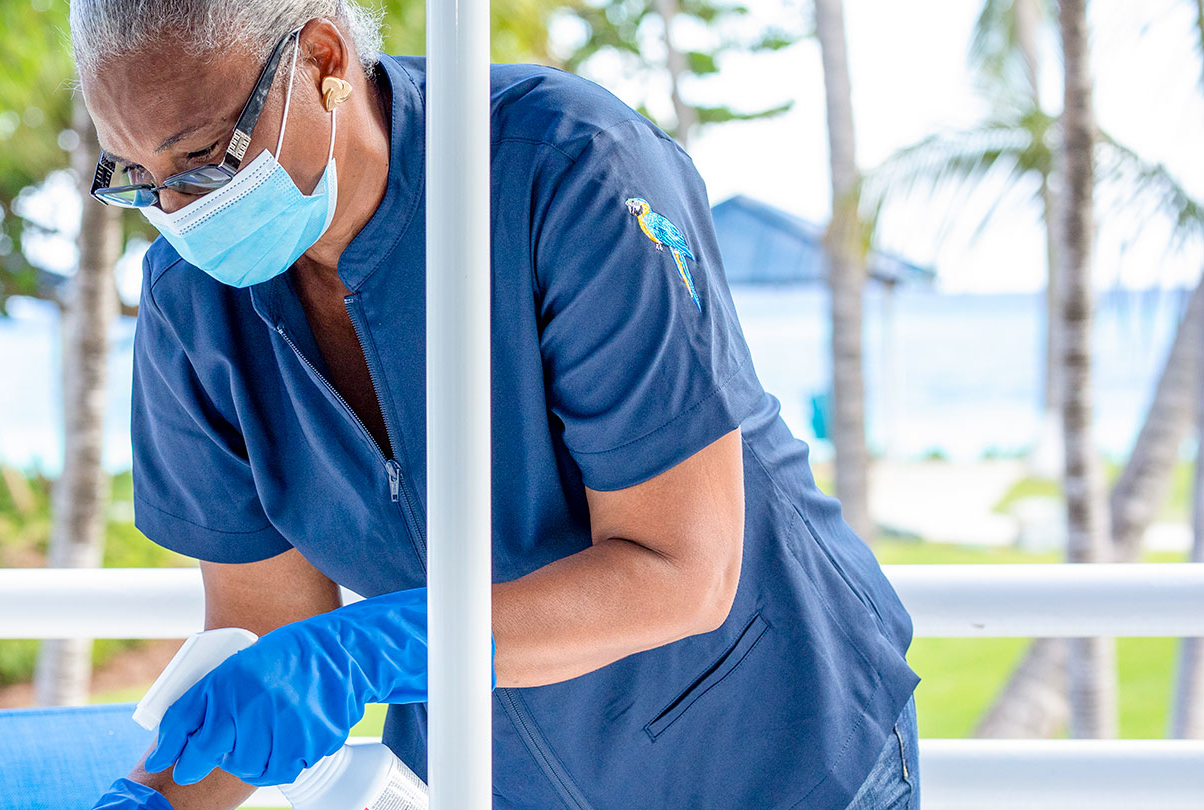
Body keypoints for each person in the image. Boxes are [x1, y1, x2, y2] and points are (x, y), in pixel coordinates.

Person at [72, 2, 919, 808]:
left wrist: (373, 648)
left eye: (208, 157)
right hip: (487, 782)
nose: (180, 213)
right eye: (136, 178)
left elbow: (681, 570)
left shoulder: (567, 166)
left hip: (769, 756)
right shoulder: (194, 308)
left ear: (323, 60)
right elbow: (268, 630)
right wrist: (152, 802)